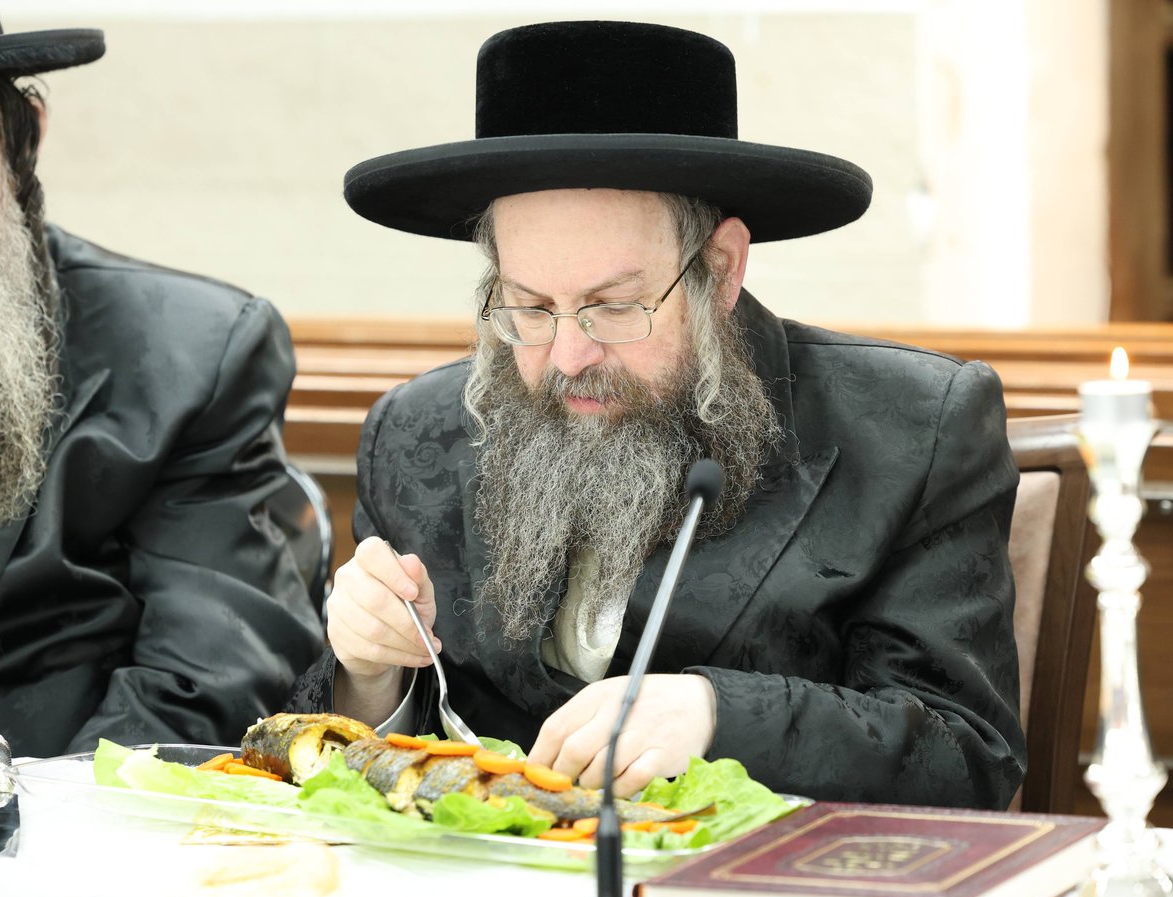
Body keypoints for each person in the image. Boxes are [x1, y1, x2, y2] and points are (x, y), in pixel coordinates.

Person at [289, 20, 1025, 809]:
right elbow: (333, 763)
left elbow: (967, 759)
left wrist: (715, 715)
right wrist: (370, 676)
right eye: (530, 307)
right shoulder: (418, 433)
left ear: (721, 268)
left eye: (613, 306)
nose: (568, 354)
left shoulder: (911, 430)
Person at [0, 4, 323, 757]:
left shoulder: (191, 356)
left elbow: (211, 681)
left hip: (79, 810)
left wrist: (25, 817)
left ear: (21, 143)